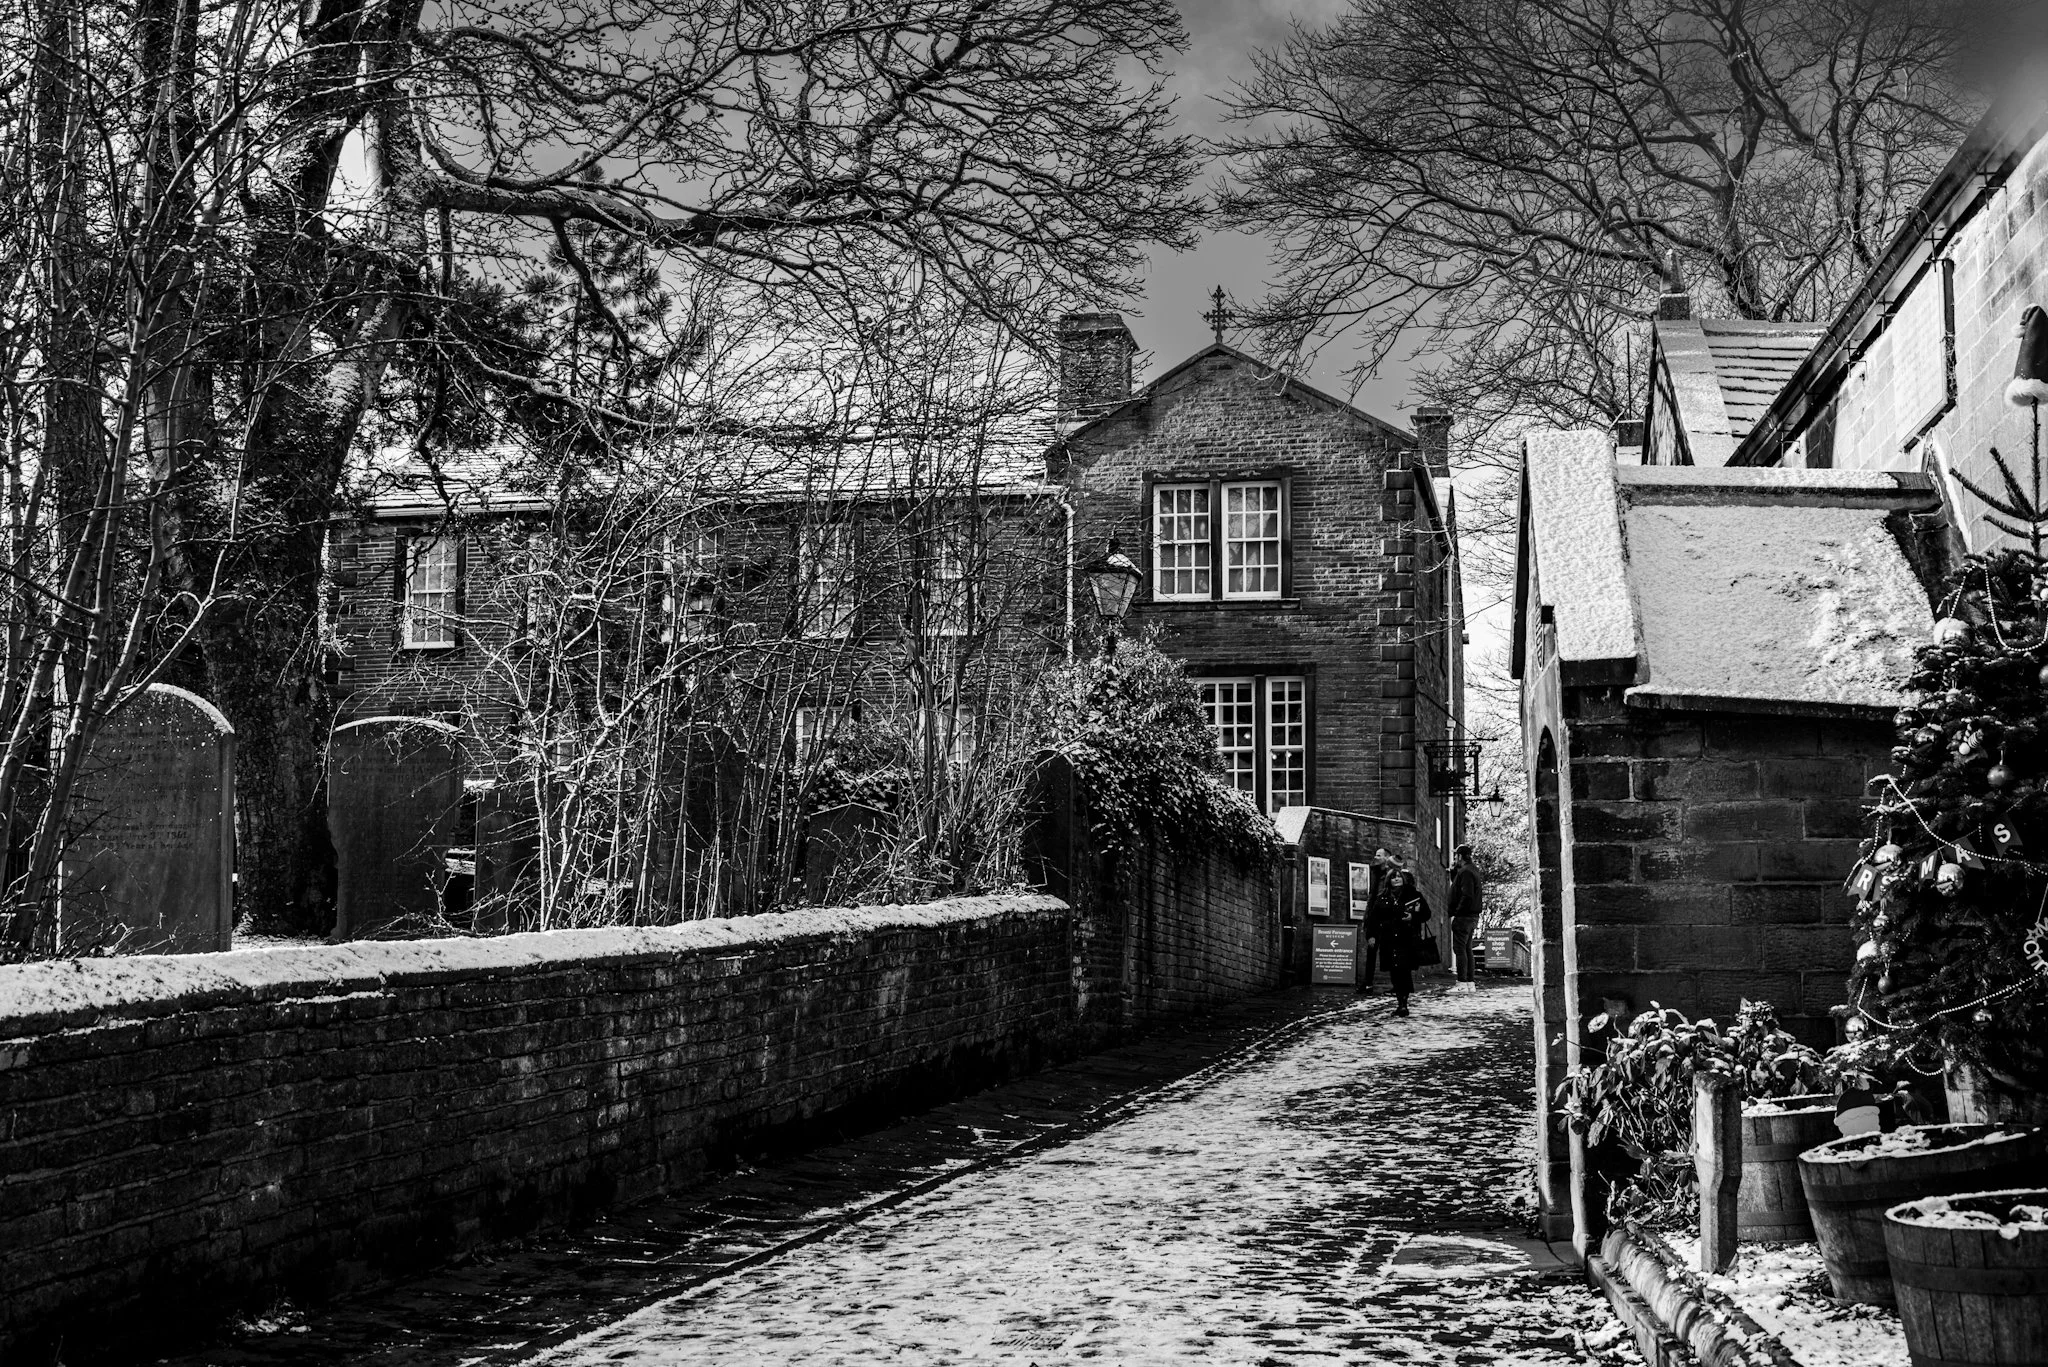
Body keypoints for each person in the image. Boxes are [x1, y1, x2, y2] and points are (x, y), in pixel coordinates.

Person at [1368, 865, 1431, 1016]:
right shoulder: (1382, 897)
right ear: (1389, 881)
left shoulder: (1413, 895)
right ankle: (1400, 1003)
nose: (1396, 879)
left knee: (1404, 971)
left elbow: (1426, 913)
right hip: (1388, 939)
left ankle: (1403, 1004)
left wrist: (1413, 918)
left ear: (1402, 879)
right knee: (1394, 972)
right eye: (1393, 877)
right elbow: (1373, 919)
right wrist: (1371, 935)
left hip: (1407, 938)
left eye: (1398, 876)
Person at [1356, 847, 1398, 994]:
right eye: (1375, 854)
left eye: (1379, 855)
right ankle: (1368, 983)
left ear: (1387, 858)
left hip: (1386, 920)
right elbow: (1371, 898)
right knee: (1371, 951)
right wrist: (1366, 919)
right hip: (1375, 918)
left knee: (1390, 953)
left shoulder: (1392, 875)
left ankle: (1396, 984)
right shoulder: (1375, 873)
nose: (1376, 857)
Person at [1448, 844, 1484, 991]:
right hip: (1472, 916)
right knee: (1467, 949)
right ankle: (1470, 983)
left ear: (1460, 856)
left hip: (1464, 916)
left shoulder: (1466, 872)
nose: (1454, 858)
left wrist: (1458, 911)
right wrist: (1453, 872)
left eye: (1456, 855)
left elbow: (1467, 895)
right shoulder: (1472, 870)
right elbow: (1459, 887)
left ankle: (1462, 983)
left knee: (1460, 949)